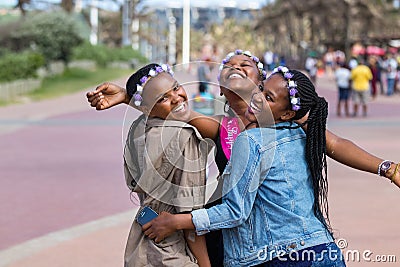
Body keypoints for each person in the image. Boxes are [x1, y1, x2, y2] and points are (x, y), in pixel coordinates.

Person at [86, 49, 400, 266]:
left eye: (245, 64)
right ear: (220, 87)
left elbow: (333, 143)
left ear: (260, 81)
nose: (235, 67)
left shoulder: (289, 125)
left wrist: (388, 168)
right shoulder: (221, 126)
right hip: (241, 249)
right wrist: (131, 96)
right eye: (228, 64)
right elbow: (170, 108)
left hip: (291, 246)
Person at [142, 67, 353, 266]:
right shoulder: (300, 132)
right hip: (323, 249)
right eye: (261, 90)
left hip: (282, 256)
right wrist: (385, 168)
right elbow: (179, 111)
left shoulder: (251, 140)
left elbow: (235, 212)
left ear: (287, 113)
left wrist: (175, 222)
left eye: (268, 98)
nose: (258, 98)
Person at [119, 63, 211, 267]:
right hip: (173, 251)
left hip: (141, 244)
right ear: (145, 107)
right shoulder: (183, 136)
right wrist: (205, 264)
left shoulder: (137, 128)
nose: (177, 98)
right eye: (163, 98)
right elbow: (190, 215)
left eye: (176, 88)